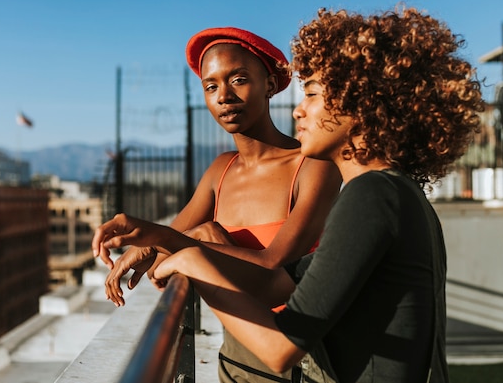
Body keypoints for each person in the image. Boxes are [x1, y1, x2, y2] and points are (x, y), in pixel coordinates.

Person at [93, 6, 485, 382]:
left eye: (312, 94)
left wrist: (192, 258)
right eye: (211, 86)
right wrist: (175, 242)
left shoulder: (374, 196)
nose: (298, 111)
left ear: (364, 103)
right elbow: (274, 284)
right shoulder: (392, 192)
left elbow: (282, 347)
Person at [94, 27, 342, 382]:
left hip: (302, 358)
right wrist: (155, 242)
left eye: (238, 80)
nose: (224, 96)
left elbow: (273, 267)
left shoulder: (313, 166)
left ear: (270, 85)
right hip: (237, 359)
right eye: (211, 87)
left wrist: (166, 237)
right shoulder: (220, 170)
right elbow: (167, 253)